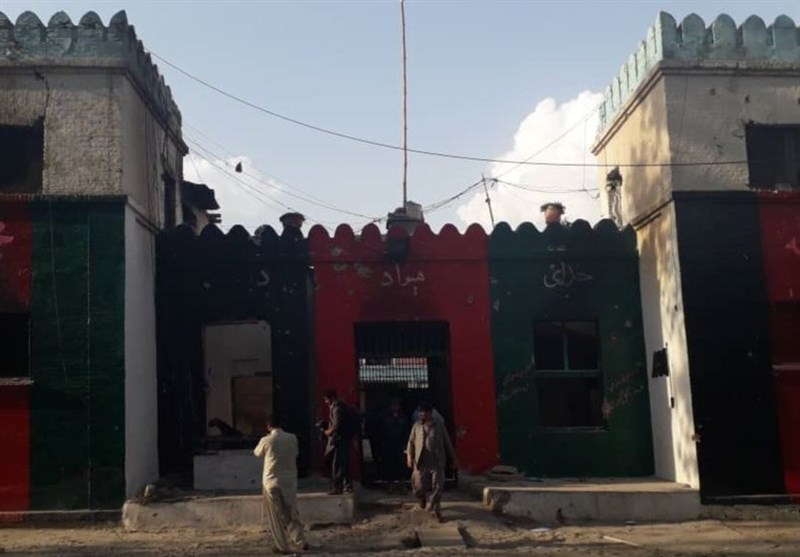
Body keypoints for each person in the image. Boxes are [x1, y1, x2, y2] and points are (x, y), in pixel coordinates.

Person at [253, 415, 308, 555]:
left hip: (271, 482)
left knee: (275, 516)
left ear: (269, 426)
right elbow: (295, 453)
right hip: (289, 481)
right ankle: (300, 540)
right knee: (291, 512)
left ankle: (282, 546)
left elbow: (257, 453)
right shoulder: (292, 438)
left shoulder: (266, 440)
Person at [406, 401, 458, 522]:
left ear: (429, 413)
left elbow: (447, 442)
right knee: (418, 485)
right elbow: (411, 442)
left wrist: (454, 459)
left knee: (437, 486)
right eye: (420, 412)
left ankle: (435, 508)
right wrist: (409, 457)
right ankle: (422, 498)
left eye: (423, 412)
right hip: (421, 461)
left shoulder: (439, 425)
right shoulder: (417, 426)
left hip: (437, 461)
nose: (421, 414)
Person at [322, 388, 354, 494]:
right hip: (344, 439)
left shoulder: (337, 408)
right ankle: (348, 485)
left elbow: (336, 425)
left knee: (337, 464)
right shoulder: (343, 406)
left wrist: (328, 432)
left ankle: (337, 487)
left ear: (331, 398)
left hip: (339, 440)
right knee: (344, 464)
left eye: (326, 400)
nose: (326, 402)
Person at [380, 398, 409, 487]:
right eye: (393, 405)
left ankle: (402, 484)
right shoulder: (385, 417)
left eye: (396, 405)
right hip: (389, 444)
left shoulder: (403, 417)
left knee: (401, 465)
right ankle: (390, 484)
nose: (395, 407)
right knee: (390, 465)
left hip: (400, 444)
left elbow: (406, 430)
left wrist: (406, 443)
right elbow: (382, 430)